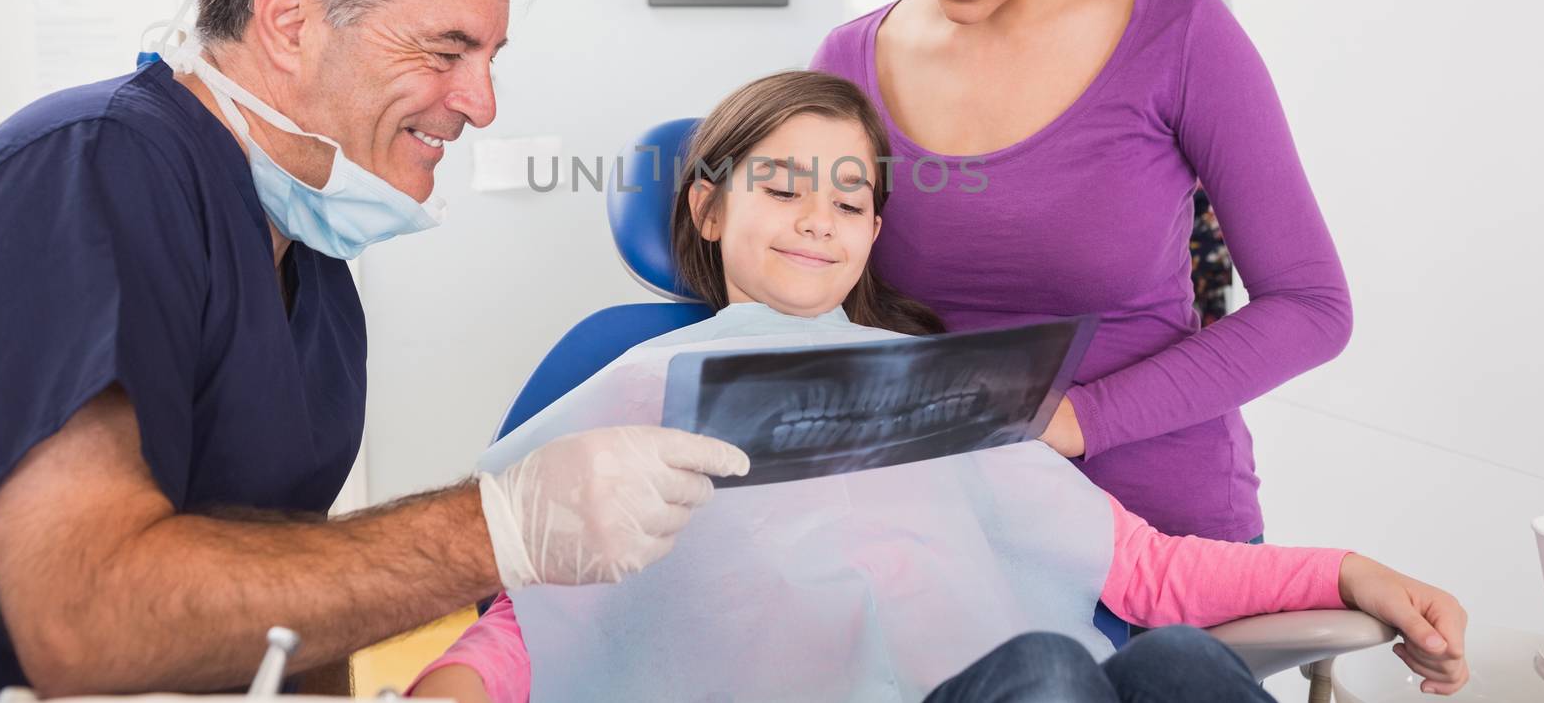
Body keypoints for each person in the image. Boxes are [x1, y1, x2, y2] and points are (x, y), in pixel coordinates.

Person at [0, 0, 746, 699]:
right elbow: (83, 618)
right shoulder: (90, 170)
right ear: (291, 20)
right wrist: (498, 526)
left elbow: (293, 608)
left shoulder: (318, 271)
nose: (481, 103)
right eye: (447, 50)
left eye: (489, 58)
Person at [408, 72, 1467, 702]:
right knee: (1054, 665)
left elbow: (1144, 571)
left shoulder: (939, 389)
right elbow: (543, 616)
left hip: (1005, 682)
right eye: (781, 184)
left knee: (1180, 662)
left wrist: (1353, 570)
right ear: (710, 207)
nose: (818, 216)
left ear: (873, 233)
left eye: (849, 196)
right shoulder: (644, 385)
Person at [811, 0, 1354, 546]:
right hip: (934, 531)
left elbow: (1312, 306)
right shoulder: (847, 60)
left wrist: (1075, 418)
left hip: (1160, 525)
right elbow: (822, 299)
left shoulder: (1181, 34)